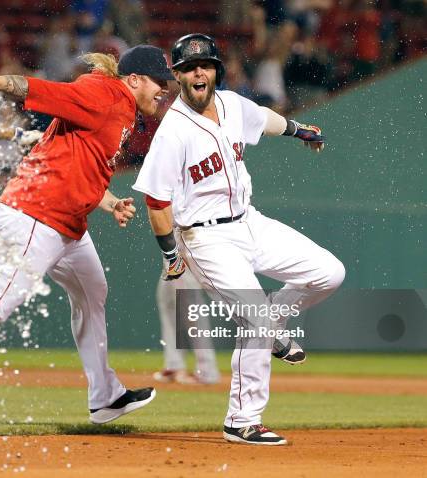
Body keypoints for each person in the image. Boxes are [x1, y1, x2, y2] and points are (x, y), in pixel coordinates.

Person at [0, 45, 174, 424]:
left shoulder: (124, 110)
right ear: (133, 79)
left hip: (66, 224)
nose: (163, 89)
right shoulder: (105, 93)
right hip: (36, 215)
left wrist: (110, 202)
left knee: (92, 292)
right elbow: (45, 91)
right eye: (158, 81)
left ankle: (106, 397)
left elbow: (78, 166)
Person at [133, 33, 345, 445]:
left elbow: (265, 119)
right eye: (189, 67)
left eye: (206, 65)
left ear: (215, 71)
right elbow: (156, 203)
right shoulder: (172, 131)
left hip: (250, 222)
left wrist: (300, 129)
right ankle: (242, 420)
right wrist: (171, 256)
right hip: (203, 237)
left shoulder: (231, 104)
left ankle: (271, 318)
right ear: (177, 76)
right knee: (254, 319)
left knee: (329, 273)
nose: (199, 71)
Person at [153, 268, 221, 385]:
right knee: (167, 301)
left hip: (185, 260)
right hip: (170, 259)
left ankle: (207, 371)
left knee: (192, 311)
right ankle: (174, 364)